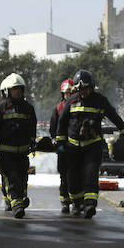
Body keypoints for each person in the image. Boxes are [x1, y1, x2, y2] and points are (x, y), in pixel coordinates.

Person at [55, 69, 124, 218]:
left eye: (85, 88)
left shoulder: (100, 101)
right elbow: (62, 122)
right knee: (72, 178)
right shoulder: (71, 101)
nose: (83, 92)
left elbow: (113, 116)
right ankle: (77, 204)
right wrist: (60, 142)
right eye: (80, 89)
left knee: (90, 175)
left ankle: (90, 205)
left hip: (92, 146)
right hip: (73, 147)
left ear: (91, 87)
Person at [0, 72, 37, 218]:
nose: (17, 91)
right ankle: (17, 205)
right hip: (6, 154)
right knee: (12, 178)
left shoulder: (28, 108)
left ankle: (18, 200)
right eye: (14, 89)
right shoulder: (0, 107)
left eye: (19, 88)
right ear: (7, 91)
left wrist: (33, 142)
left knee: (22, 179)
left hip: (22, 154)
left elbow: (32, 127)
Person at [49, 78, 74, 214]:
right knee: (64, 176)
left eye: (70, 93)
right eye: (66, 93)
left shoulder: (78, 105)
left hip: (77, 148)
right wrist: (57, 143)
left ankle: (76, 201)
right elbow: (53, 128)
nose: (68, 96)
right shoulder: (58, 108)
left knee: (76, 175)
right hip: (63, 149)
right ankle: (65, 202)